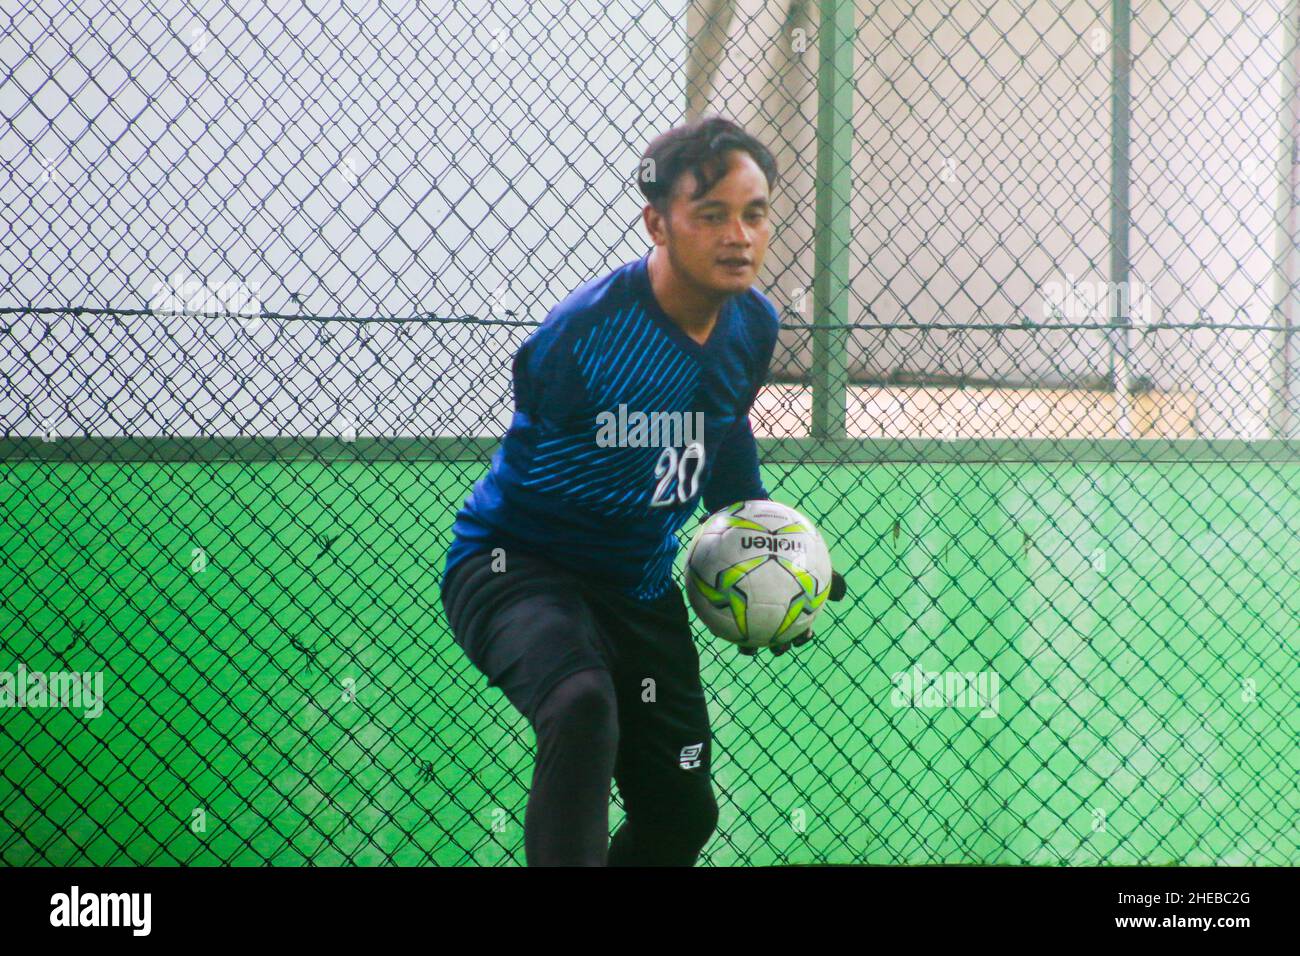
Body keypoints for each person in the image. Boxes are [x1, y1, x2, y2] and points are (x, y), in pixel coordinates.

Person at [439, 115, 845, 866]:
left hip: (639, 586)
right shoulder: (583, 334)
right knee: (581, 703)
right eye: (712, 214)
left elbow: (721, 432)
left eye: (755, 215)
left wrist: (768, 548)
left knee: (680, 815)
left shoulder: (753, 324)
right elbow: (553, 471)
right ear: (657, 222)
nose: (739, 236)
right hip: (515, 567)